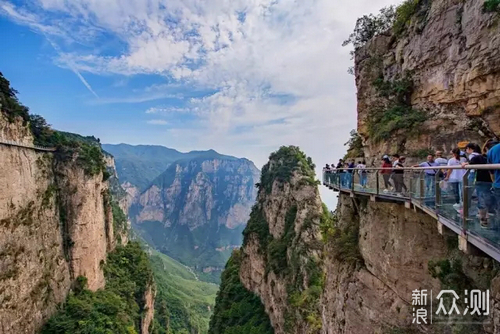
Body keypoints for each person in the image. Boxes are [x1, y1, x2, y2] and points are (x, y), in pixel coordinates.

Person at [462, 143, 493, 228]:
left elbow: (469, 165)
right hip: (492, 180)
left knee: (482, 197)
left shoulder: (476, 157)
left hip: (481, 180)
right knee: (489, 197)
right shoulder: (486, 157)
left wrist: (465, 164)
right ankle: (488, 218)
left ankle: (483, 219)